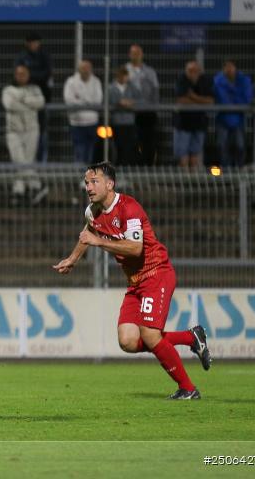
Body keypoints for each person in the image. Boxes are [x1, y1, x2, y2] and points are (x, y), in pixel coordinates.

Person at [54, 161, 211, 399]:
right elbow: (89, 233)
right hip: (136, 283)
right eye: (87, 182)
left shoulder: (129, 208)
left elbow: (136, 249)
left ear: (110, 184)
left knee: (149, 335)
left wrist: (100, 242)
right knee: (127, 341)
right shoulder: (92, 211)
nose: (89, 187)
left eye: (94, 182)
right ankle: (191, 337)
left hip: (156, 274)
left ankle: (188, 389)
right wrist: (73, 259)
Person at [2, 65, 46, 205]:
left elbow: (40, 102)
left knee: (28, 160)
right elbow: (9, 104)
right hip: (13, 131)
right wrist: (29, 104)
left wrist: (23, 101)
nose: (21, 76)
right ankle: (37, 187)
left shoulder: (34, 89)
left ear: (28, 75)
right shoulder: (8, 90)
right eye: (18, 73)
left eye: (24, 73)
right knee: (19, 160)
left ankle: (19, 191)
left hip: (31, 130)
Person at [14, 33, 53, 163]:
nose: (34, 45)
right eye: (31, 42)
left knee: (41, 133)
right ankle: (26, 164)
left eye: (36, 42)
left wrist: (30, 76)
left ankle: (41, 163)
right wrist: (34, 77)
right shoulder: (22, 57)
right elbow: (19, 74)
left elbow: (46, 74)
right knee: (24, 133)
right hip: (24, 102)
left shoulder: (44, 56)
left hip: (41, 101)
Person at [174, 61, 214, 170]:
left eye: (195, 71)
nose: (192, 73)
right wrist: (201, 101)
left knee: (195, 153)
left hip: (199, 122)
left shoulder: (205, 80)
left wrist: (193, 97)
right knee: (182, 153)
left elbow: (210, 101)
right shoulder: (182, 79)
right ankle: (183, 179)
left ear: (199, 72)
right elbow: (181, 100)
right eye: (190, 71)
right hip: (183, 123)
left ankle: (192, 181)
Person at [213, 60, 253, 168]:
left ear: (235, 68)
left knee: (239, 146)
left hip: (238, 120)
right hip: (222, 119)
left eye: (231, 67)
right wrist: (234, 100)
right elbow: (219, 100)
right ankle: (226, 174)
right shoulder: (218, 81)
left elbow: (246, 99)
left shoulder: (244, 80)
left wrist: (231, 99)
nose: (229, 70)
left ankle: (239, 171)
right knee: (222, 147)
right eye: (226, 67)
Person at [63, 60, 103, 164]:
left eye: (87, 68)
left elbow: (98, 101)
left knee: (90, 154)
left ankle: (87, 178)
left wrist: (80, 100)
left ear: (91, 69)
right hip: (76, 123)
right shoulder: (71, 82)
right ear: (79, 69)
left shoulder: (96, 81)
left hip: (92, 122)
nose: (85, 70)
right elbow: (69, 101)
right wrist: (88, 102)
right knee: (79, 152)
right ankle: (79, 177)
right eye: (83, 68)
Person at [126, 44, 160, 166]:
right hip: (130, 114)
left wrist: (153, 108)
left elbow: (155, 92)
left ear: (142, 55)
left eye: (138, 53)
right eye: (133, 53)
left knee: (149, 143)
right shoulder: (125, 70)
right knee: (131, 143)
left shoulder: (150, 72)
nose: (135, 56)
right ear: (129, 55)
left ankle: (148, 171)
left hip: (147, 113)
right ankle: (133, 171)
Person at [108, 66, 141, 166]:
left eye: (126, 76)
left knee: (129, 147)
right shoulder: (111, 88)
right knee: (119, 147)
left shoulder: (132, 87)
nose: (124, 79)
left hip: (129, 122)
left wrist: (129, 103)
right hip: (117, 123)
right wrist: (120, 103)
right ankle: (119, 170)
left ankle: (125, 170)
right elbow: (111, 102)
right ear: (118, 76)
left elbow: (139, 99)